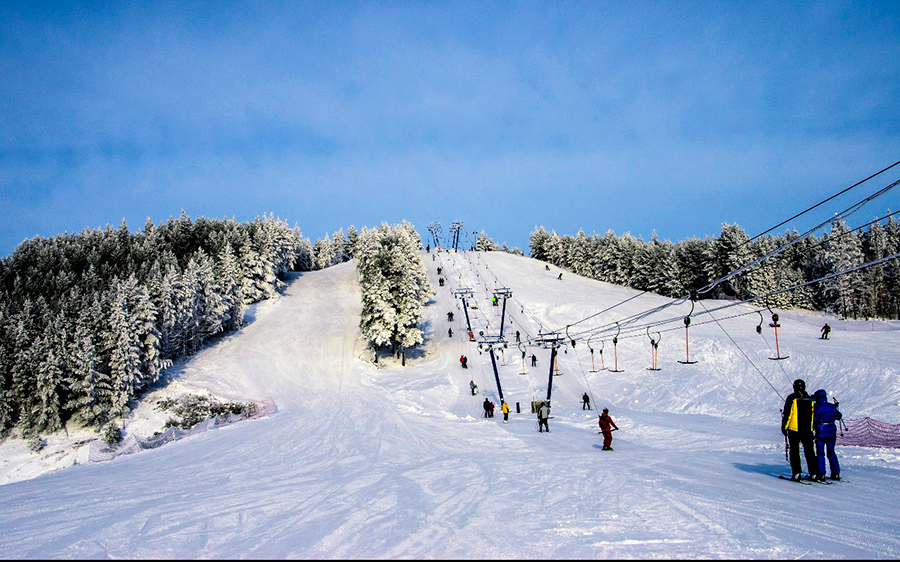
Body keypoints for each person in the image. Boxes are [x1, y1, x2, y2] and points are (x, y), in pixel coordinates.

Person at [782, 379, 820, 482]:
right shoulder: (809, 398)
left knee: (794, 451)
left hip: (794, 429)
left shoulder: (792, 398)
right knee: (810, 452)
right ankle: (814, 473)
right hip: (808, 429)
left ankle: (796, 473)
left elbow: (787, 414)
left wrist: (784, 427)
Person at [812, 389, 842, 481]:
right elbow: (839, 416)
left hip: (821, 431)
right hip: (832, 431)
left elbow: (814, 421)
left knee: (820, 453)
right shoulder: (831, 407)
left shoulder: (817, 408)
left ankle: (821, 474)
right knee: (831, 452)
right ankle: (835, 473)